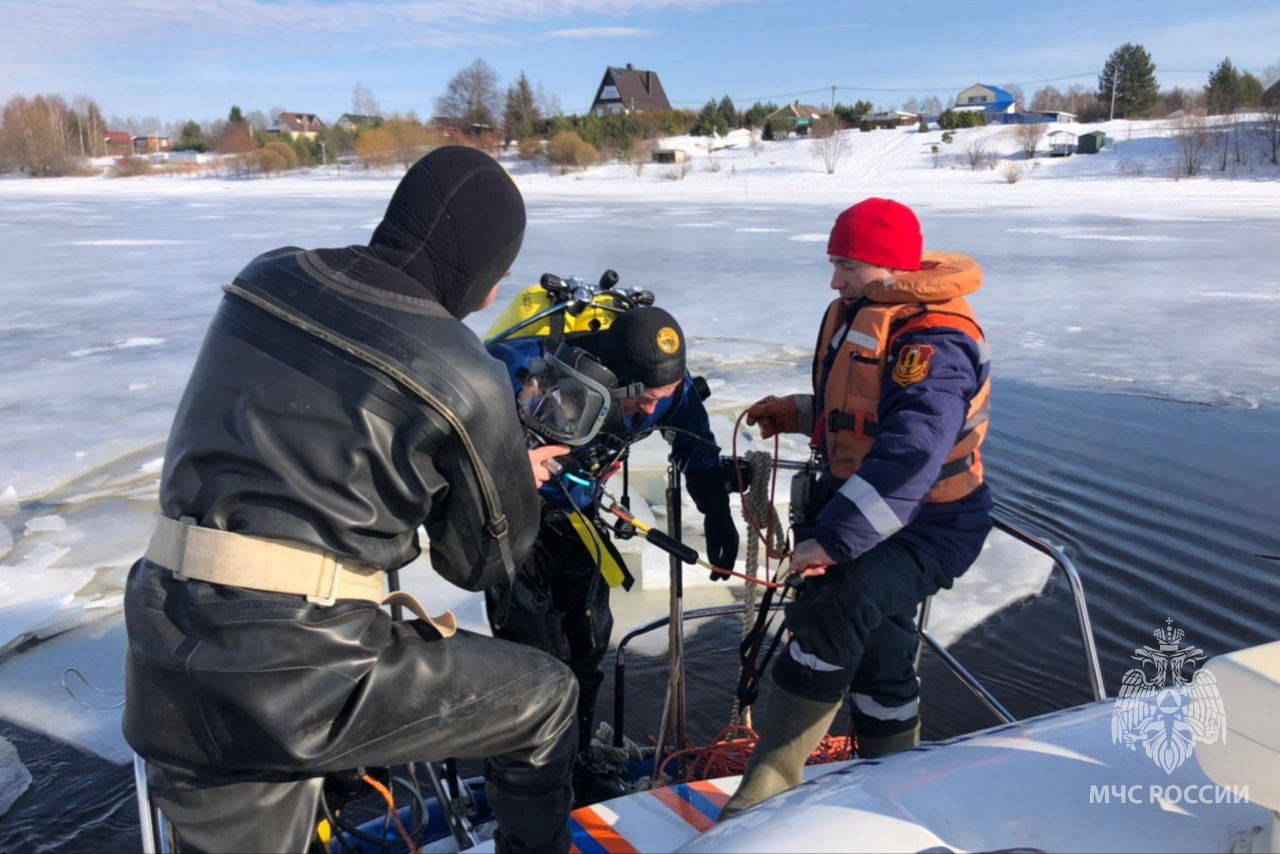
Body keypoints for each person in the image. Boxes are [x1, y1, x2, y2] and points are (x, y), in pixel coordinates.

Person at [122, 147, 580, 853]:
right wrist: (505, 472)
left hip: (162, 634)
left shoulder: (266, 275)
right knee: (546, 697)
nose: (494, 295)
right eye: (500, 274)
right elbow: (482, 564)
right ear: (485, 266)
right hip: (299, 672)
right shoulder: (463, 370)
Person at [720, 198, 992, 818]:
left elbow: (913, 452)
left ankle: (769, 783)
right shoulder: (866, 312)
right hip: (875, 509)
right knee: (883, 641)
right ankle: (892, 773)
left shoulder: (934, 342)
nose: (835, 280)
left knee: (834, 604)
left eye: (845, 264)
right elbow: (868, 411)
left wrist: (835, 541)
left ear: (885, 264)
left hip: (932, 526)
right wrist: (800, 411)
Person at [486, 306, 740, 803]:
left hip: (577, 518)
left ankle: (574, 761)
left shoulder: (665, 391)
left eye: (660, 400)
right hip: (509, 521)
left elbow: (695, 440)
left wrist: (715, 508)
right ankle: (521, 780)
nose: (650, 412)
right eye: (641, 401)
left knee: (588, 639)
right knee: (530, 655)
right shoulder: (517, 368)